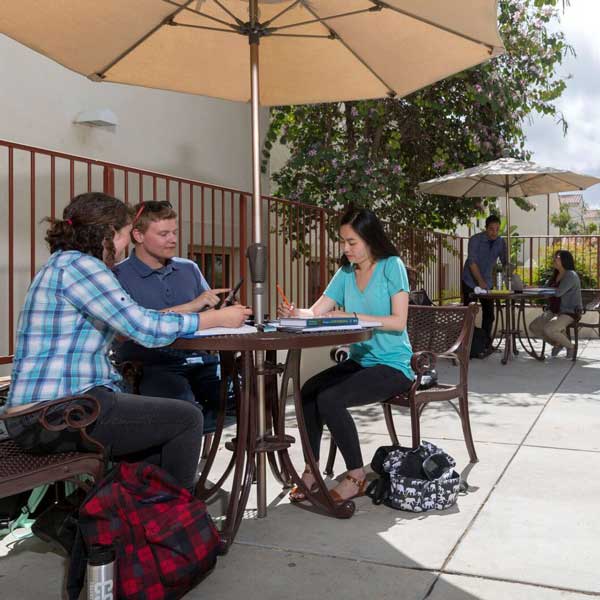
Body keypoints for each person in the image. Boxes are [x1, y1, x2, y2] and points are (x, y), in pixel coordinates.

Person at [3, 192, 251, 491]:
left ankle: (137, 514)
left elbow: (135, 318)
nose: (122, 248)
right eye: (122, 237)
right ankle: (173, 521)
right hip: (56, 415)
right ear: (108, 234)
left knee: (157, 422)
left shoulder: (63, 264)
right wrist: (214, 319)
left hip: (52, 411)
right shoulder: (83, 267)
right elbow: (142, 326)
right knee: (186, 418)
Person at [278, 206, 414, 503]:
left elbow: (398, 321)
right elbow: (315, 312)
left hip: (393, 365)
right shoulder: (345, 273)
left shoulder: (391, 266)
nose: (346, 248)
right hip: (361, 361)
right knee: (308, 391)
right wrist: (295, 313)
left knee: (331, 398)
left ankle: (356, 476)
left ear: (370, 238)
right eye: (343, 241)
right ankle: (311, 471)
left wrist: (354, 315)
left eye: (352, 242)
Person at [112, 201, 227, 418]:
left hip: (200, 360)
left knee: (250, 396)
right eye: (164, 234)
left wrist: (223, 312)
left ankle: (239, 450)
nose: (173, 239)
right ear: (138, 235)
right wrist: (193, 308)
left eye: (174, 232)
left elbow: (208, 314)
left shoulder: (188, 268)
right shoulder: (117, 275)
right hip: (151, 365)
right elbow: (124, 333)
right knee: (182, 411)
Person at [529, 250, 582, 359]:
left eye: (557, 257)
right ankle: (558, 344)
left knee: (549, 329)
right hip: (554, 310)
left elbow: (558, 293)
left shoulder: (571, 275)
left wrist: (545, 290)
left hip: (569, 311)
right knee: (534, 327)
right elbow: (546, 288)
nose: (554, 259)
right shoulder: (556, 274)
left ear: (565, 260)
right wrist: (532, 288)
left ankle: (571, 347)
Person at [461, 215, 507, 341]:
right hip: (470, 281)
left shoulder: (501, 242)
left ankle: (486, 344)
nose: (494, 232)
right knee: (468, 314)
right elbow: (472, 262)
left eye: (497, 229)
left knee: (489, 315)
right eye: (492, 229)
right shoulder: (475, 240)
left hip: (487, 282)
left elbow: (505, 263)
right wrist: (480, 281)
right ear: (486, 228)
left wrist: (509, 272)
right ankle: (466, 344)